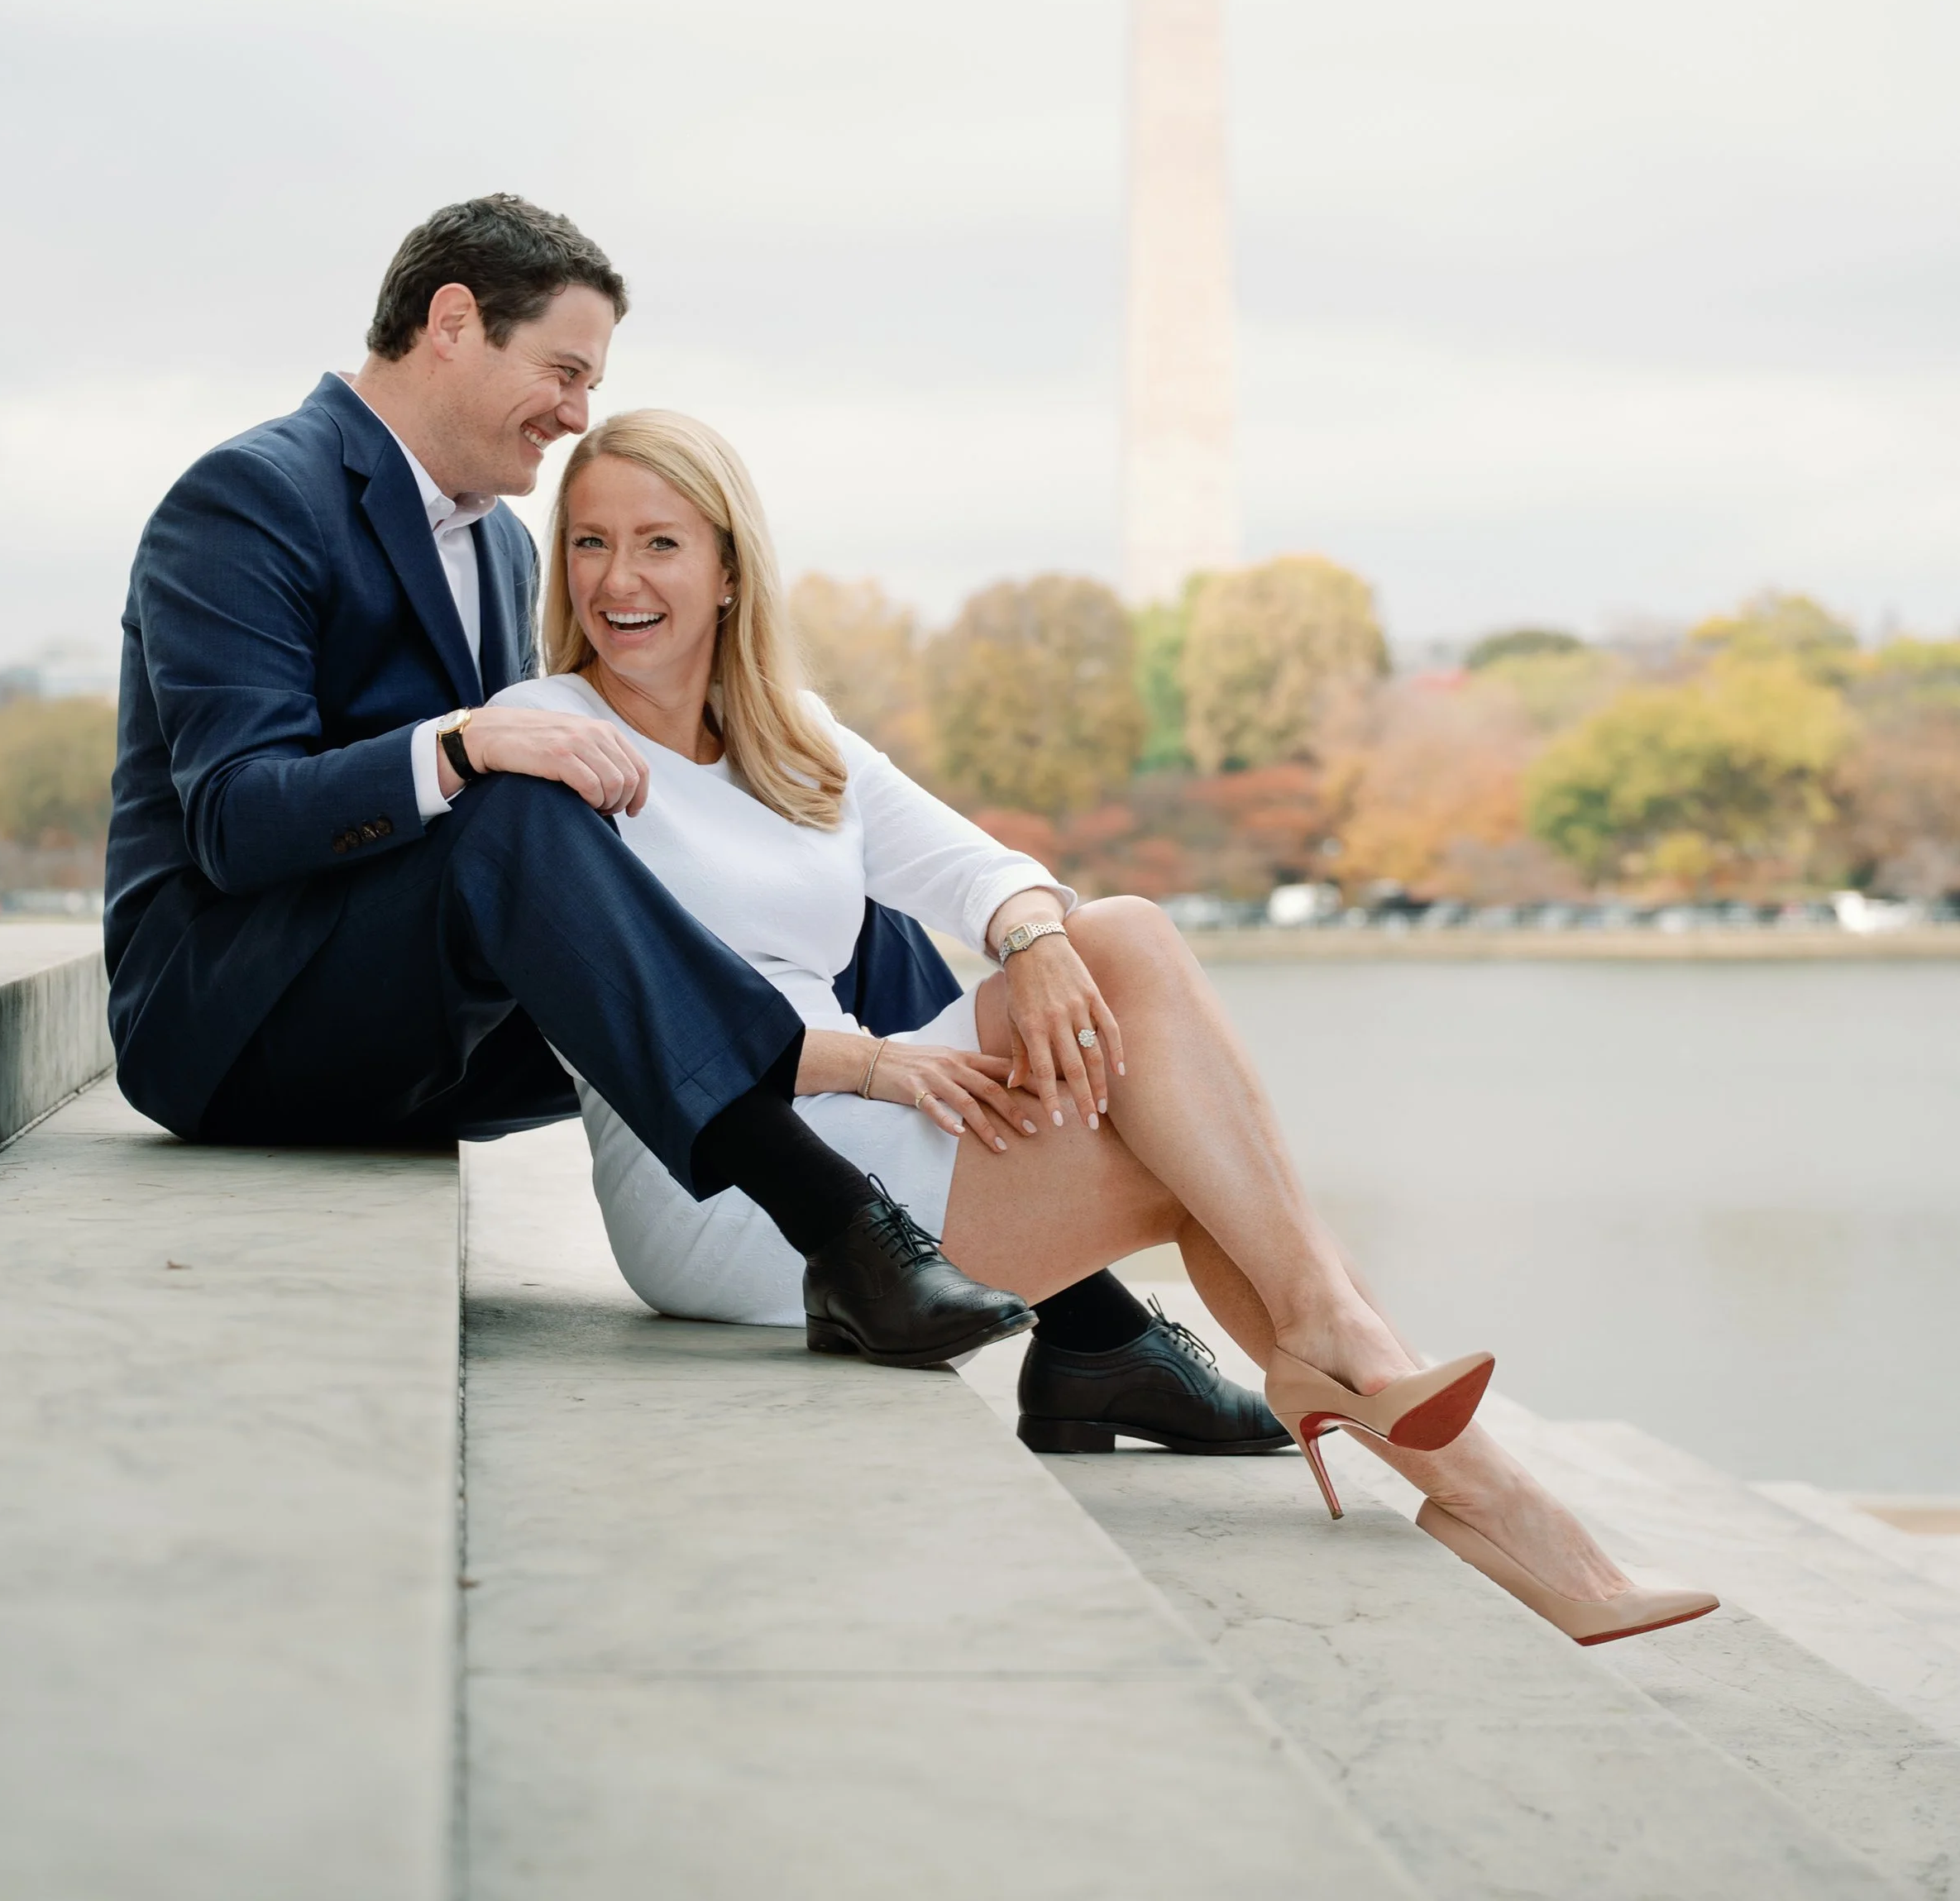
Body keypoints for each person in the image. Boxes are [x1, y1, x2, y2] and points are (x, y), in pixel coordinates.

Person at [490, 404, 1720, 1651]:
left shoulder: (793, 736)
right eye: (590, 544)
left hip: (873, 1114)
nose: (617, 581)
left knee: (1117, 939)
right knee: (1195, 1153)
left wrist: (1035, 939)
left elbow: (987, 869)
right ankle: (1436, 1444)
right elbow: (631, 1017)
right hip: (736, 1185)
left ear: (728, 568)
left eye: (658, 544)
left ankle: (1366, 1383)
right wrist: (886, 1060)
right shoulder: (552, 737)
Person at [106, 190, 1273, 1441]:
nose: (576, 411)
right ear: (453, 323)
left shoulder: (498, 546)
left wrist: (1027, 930)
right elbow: (232, 816)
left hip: (441, 1016)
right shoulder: (248, 496)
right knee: (513, 811)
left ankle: (1094, 1330)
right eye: (561, 369)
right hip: (241, 1022)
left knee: (837, 884)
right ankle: (843, 1231)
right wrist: (460, 742)